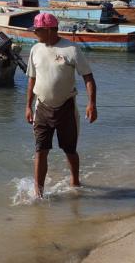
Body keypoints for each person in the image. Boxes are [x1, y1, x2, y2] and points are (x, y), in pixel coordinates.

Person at [25, 12, 97, 198]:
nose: (35, 33)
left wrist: (92, 104)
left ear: (49, 30)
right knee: (40, 150)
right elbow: (31, 79)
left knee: (70, 149)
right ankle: (38, 193)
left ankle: (75, 184)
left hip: (66, 108)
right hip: (42, 108)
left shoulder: (71, 49)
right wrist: (28, 106)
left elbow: (88, 77)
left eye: (38, 30)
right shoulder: (35, 49)